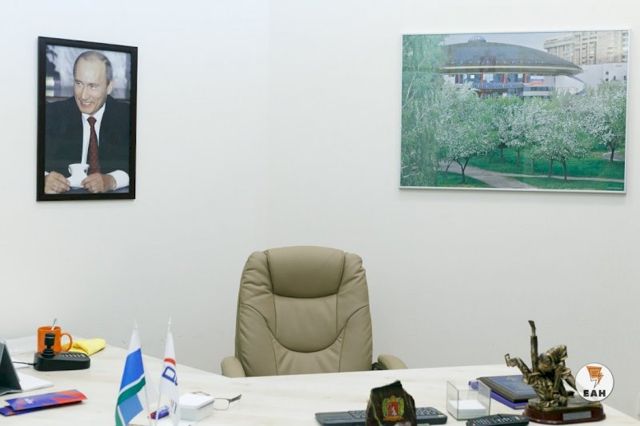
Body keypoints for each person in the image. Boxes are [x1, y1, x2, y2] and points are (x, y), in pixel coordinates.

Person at [44, 50, 130, 194]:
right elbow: (27, 160)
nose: (83, 96)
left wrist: (112, 180)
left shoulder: (126, 116)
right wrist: (44, 178)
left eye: (92, 86)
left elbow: (140, 165)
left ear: (109, 87)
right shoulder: (51, 114)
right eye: (78, 83)